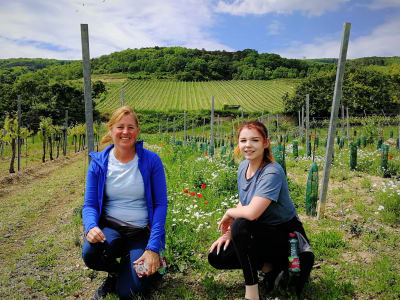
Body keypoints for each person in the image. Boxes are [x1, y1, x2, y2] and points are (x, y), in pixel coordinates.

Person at [208, 121, 314, 300]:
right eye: (243, 140)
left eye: (254, 140)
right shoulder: (243, 167)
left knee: (241, 225)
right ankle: (270, 268)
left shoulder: (272, 172)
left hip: (288, 238)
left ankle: (252, 293)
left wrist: (229, 213)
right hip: (261, 233)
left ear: (266, 143)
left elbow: (251, 214)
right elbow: (245, 204)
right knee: (217, 256)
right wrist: (228, 234)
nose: (248, 145)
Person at [82, 106, 168, 300]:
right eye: (120, 126)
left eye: (130, 127)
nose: (125, 132)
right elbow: (90, 205)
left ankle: (145, 264)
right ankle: (117, 271)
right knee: (90, 253)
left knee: (129, 292)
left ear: (137, 131)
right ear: (111, 130)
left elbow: (160, 205)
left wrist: (153, 247)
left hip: (139, 232)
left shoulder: (151, 161)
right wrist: (91, 226)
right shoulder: (98, 163)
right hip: (111, 230)